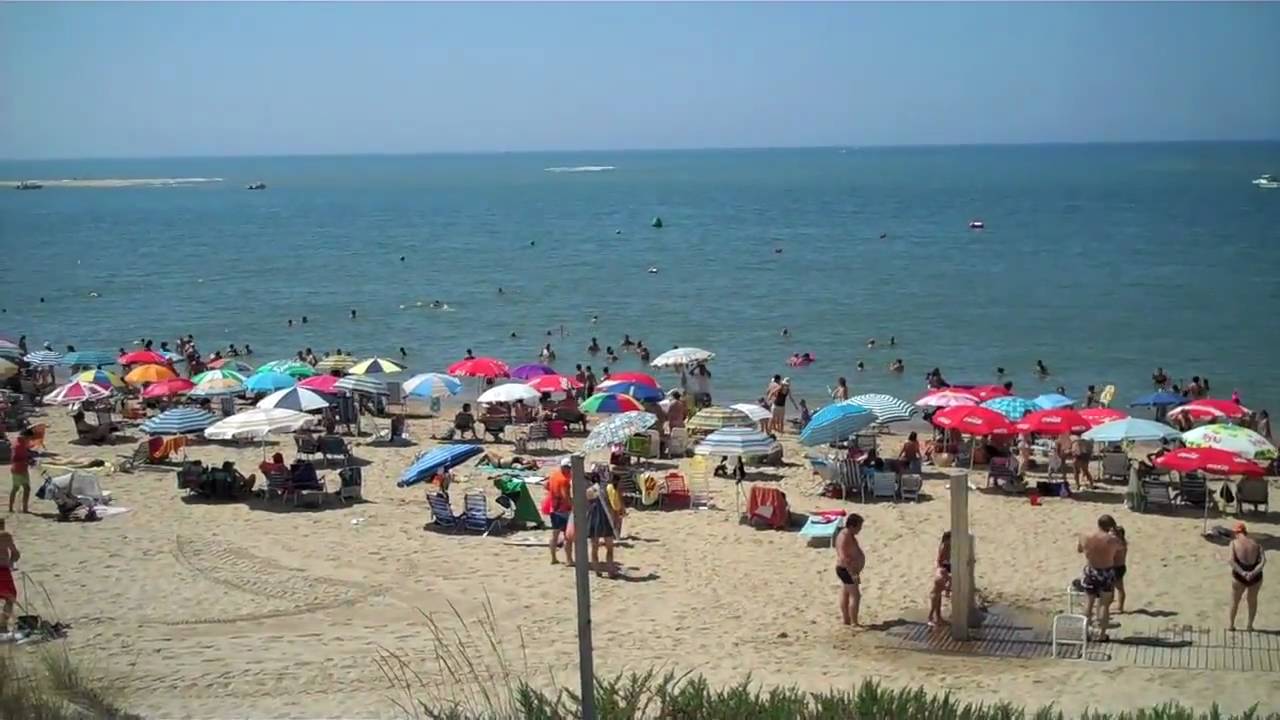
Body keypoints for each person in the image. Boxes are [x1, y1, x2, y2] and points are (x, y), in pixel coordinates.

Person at [1077, 514, 1123, 641]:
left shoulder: (1085, 536)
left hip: (1091, 570)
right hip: (1106, 571)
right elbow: (1121, 548)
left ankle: (1084, 633)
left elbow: (1079, 550)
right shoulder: (1112, 540)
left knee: (1088, 603)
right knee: (1104, 604)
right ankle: (1102, 635)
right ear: (1110, 527)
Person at [835, 514, 865, 626]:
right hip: (846, 569)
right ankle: (854, 622)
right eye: (859, 527)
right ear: (852, 526)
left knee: (846, 593)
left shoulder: (848, 534)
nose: (860, 529)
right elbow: (842, 555)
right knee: (855, 596)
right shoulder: (844, 536)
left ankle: (847, 620)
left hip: (847, 569)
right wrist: (852, 570)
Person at [586, 474, 619, 577]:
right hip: (605, 519)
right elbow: (611, 506)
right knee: (609, 548)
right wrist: (615, 520)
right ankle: (610, 571)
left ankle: (597, 570)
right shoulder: (605, 490)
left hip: (593, 519)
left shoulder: (589, 492)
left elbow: (587, 505)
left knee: (594, 547)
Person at [547, 458, 574, 565]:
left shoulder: (554, 475)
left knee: (554, 535)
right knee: (568, 536)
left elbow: (546, 486)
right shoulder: (564, 480)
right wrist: (572, 506)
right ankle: (569, 560)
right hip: (563, 510)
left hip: (554, 508)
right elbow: (565, 496)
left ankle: (553, 558)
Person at [928, 531, 952, 627]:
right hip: (942, 572)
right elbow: (941, 561)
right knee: (936, 595)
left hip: (943, 571)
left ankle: (938, 618)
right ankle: (930, 617)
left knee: (938, 596)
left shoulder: (945, 545)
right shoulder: (946, 546)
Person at [0, 518, 19, 634]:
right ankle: (2, 625)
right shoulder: (4, 535)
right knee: (10, 596)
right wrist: (12, 562)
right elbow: (15, 553)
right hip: (2, 569)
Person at [9, 429, 33, 514]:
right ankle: (24, 509)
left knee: (16, 488)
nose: (30, 440)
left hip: (18, 469)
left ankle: (11, 508)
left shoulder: (21, 443)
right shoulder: (18, 445)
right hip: (19, 470)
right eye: (29, 438)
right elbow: (15, 458)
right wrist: (26, 460)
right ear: (26, 437)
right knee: (25, 488)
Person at [1113, 526, 1128, 614]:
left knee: (1118, 588)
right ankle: (1120, 607)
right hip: (1120, 567)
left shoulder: (1119, 545)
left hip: (1117, 568)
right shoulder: (1123, 543)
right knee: (1119, 588)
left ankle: (1120, 608)